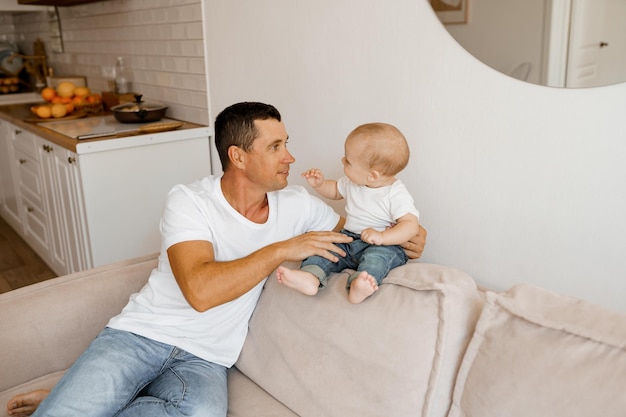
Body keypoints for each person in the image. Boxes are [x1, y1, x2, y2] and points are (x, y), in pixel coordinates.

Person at [6, 102, 426, 417]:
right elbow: (201, 291)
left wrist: (406, 236)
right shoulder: (190, 201)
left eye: (288, 144)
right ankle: (78, 399)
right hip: (139, 338)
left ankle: (90, 399)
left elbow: (359, 234)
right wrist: (281, 249)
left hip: (207, 359)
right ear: (238, 156)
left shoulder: (300, 205)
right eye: (276, 146)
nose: (290, 157)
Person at [276, 122, 419, 303]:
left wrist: (383, 237)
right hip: (349, 239)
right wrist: (320, 184)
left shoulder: (395, 193)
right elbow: (335, 190)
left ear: (372, 175)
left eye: (348, 161)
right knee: (324, 251)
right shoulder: (353, 182)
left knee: (377, 259)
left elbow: (410, 225)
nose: (342, 161)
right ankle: (310, 277)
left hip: (382, 244)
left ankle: (361, 285)